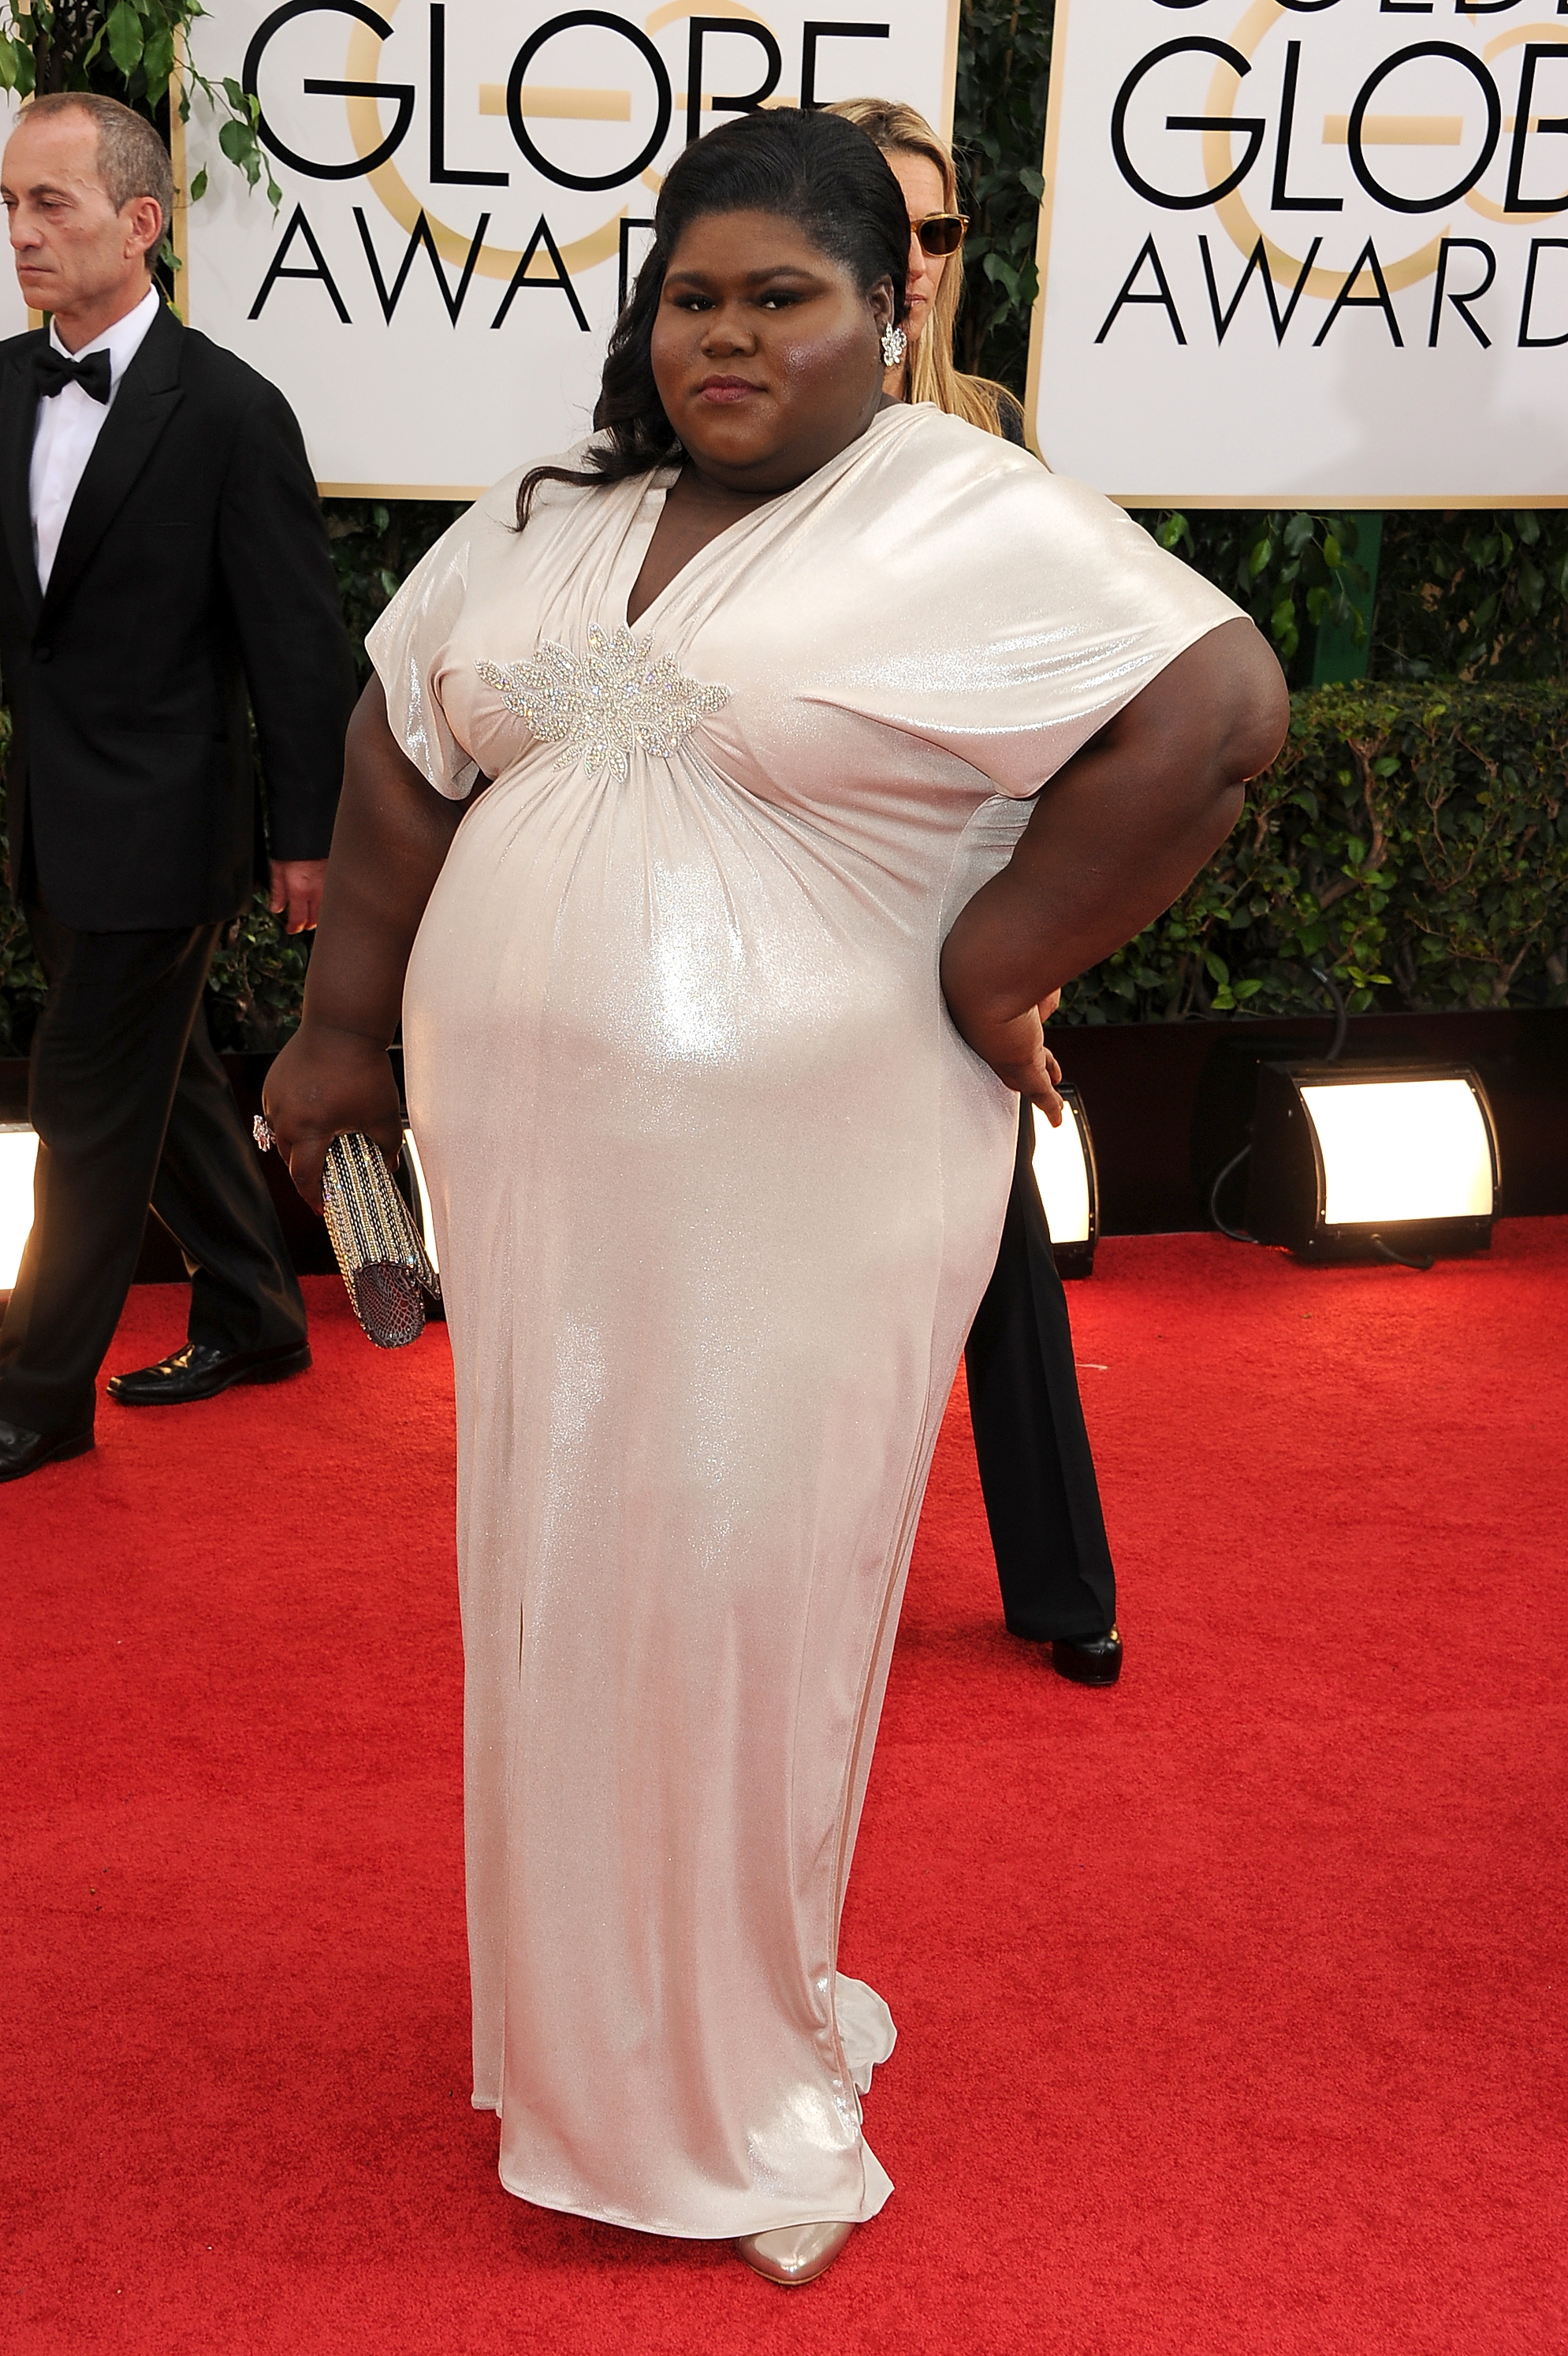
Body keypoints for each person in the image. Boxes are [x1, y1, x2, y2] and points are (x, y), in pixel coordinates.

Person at [264, 110, 1285, 2284]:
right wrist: (345, 1027)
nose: (723, 336)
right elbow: (390, 744)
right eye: (691, 295)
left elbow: (1211, 715)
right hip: (540, 1177)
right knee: (571, 1553)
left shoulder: (959, 512)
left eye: (778, 294)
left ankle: (706, 2068)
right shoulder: (557, 520)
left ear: (887, 305)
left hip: (799, 1169)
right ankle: (590, 2022)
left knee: (736, 1571)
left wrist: (996, 960)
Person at [0, 92, 355, 1483]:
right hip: (53, 814)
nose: (21, 233)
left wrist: (308, 836)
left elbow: (296, 644)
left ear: (142, 223)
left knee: (86, 1103)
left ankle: (36, 1393)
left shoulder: (226, 410)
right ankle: (260, 1312)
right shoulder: (1, 386)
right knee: (168, 1086)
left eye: (52, 204)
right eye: (10, 206)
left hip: (166, 825)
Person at [833, 95, 1121, 1684]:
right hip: (802, 888)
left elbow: (1071, 684)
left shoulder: (993, 429)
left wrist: (1028, 943)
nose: (922, 259)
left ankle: (1061, 1583)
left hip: (959, 897)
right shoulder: (742, 424)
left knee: (999, 1232)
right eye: (893, 226)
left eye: (940, 230)